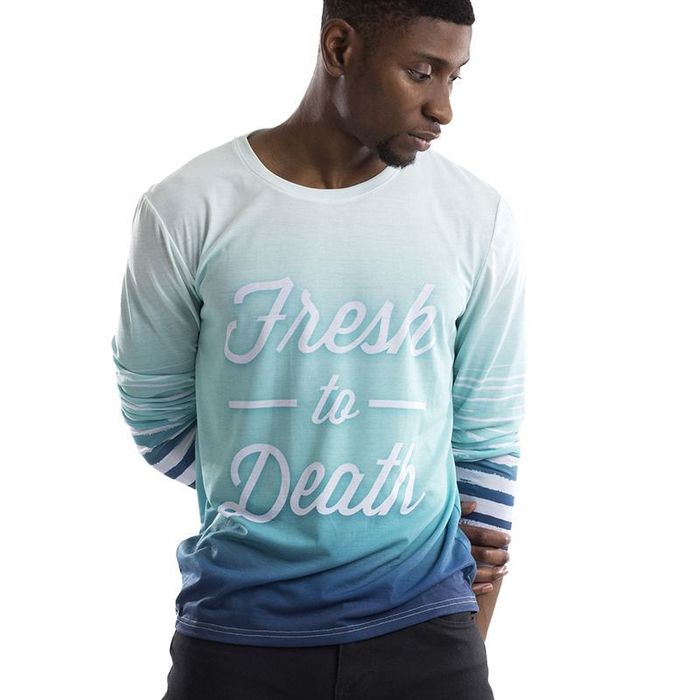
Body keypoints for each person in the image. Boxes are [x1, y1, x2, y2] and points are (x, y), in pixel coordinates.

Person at [110, 1, 526, 697]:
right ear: (339, 48)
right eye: (422, 71)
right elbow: (155, 413)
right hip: (237, 636)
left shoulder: (476, 217)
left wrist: (462, 631)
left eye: (455, 77)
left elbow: (486, 441)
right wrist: (278, 493)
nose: (443, 107)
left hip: (426, 633)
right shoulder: (188, 206)